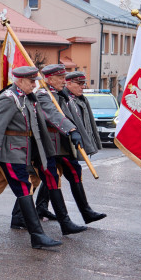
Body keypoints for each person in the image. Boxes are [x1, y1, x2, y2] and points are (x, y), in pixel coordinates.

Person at [0, 66, 62, 249]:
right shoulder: (8, 98)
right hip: (9, 152)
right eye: (31, 81)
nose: (34, 85)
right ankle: (37, 235)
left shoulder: (25, 97)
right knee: (24, 187)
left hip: (19, 151)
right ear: (20, 81)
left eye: (35, 81)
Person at [16, 64, 85, 236]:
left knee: (45, 180)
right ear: (50, 79)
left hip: (50, 145)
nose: (64, 81)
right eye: (60, 78)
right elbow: (53, 115)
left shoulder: (56, 95)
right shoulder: (42, 95)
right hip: (41, 145)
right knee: (4, 184)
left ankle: (24, 217)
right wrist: (71, 130)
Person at [51, 69, 106, 224]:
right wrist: (72, 132)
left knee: (53, 178)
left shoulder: (78, 99)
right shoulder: (59, 97)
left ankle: (34, 210)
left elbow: (86, 123)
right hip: (60, 143)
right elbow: (58, 117)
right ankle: (85, 213)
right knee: (68, 174)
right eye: (80, 83)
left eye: (84, 83)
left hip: (65, 144)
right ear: (69, 83)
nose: (83, 87)